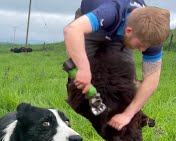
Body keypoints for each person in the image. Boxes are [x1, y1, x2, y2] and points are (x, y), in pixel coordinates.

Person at [63, 0, 170, 131]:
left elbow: (151, 80)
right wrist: (83, 69)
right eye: (141, 44)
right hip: (92, 25)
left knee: (124, 76)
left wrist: (127, 115)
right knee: (85, 73)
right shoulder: (110, 12)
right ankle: (86, 105)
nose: (142, 50)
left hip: (120, 34)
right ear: (129, 30)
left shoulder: (150, 35)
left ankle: (113, 115)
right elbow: (72, 31)